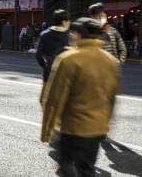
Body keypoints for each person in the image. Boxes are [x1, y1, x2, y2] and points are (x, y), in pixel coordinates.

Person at [40, 18, 121, 177]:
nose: (71, 35)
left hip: (74, 127)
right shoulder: (111, 60)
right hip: (97, 127)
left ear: (78, 34)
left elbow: (55, 98)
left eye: (73, 32)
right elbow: (111, 97)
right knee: (86, 168)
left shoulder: (69, 59)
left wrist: (47, 131)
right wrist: (106, 124)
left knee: (66, 166)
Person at [35, 9, 71, 83]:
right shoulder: (68, 36)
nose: (69, 23)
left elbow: (38, 55)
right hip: (65, 73)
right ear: (64, 22)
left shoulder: (44, 34)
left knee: (48, 90)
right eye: (68, 21)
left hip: (49, 72)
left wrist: (45, 67)